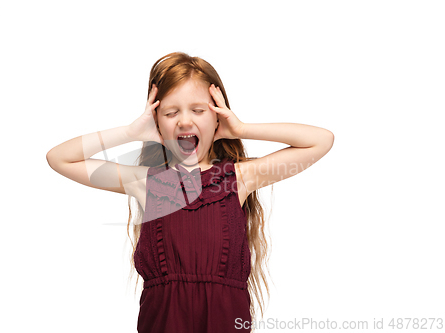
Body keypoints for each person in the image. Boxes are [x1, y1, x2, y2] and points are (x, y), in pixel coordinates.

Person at [46, 51, 334, 333]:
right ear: (156, 121)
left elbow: (320, 141)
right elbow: (60, 158)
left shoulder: (239, 178)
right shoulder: (148, 182)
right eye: (171, 112)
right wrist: (130, 133)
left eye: (198, 111)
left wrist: (242, 128)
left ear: (218, 118)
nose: (185, 121)